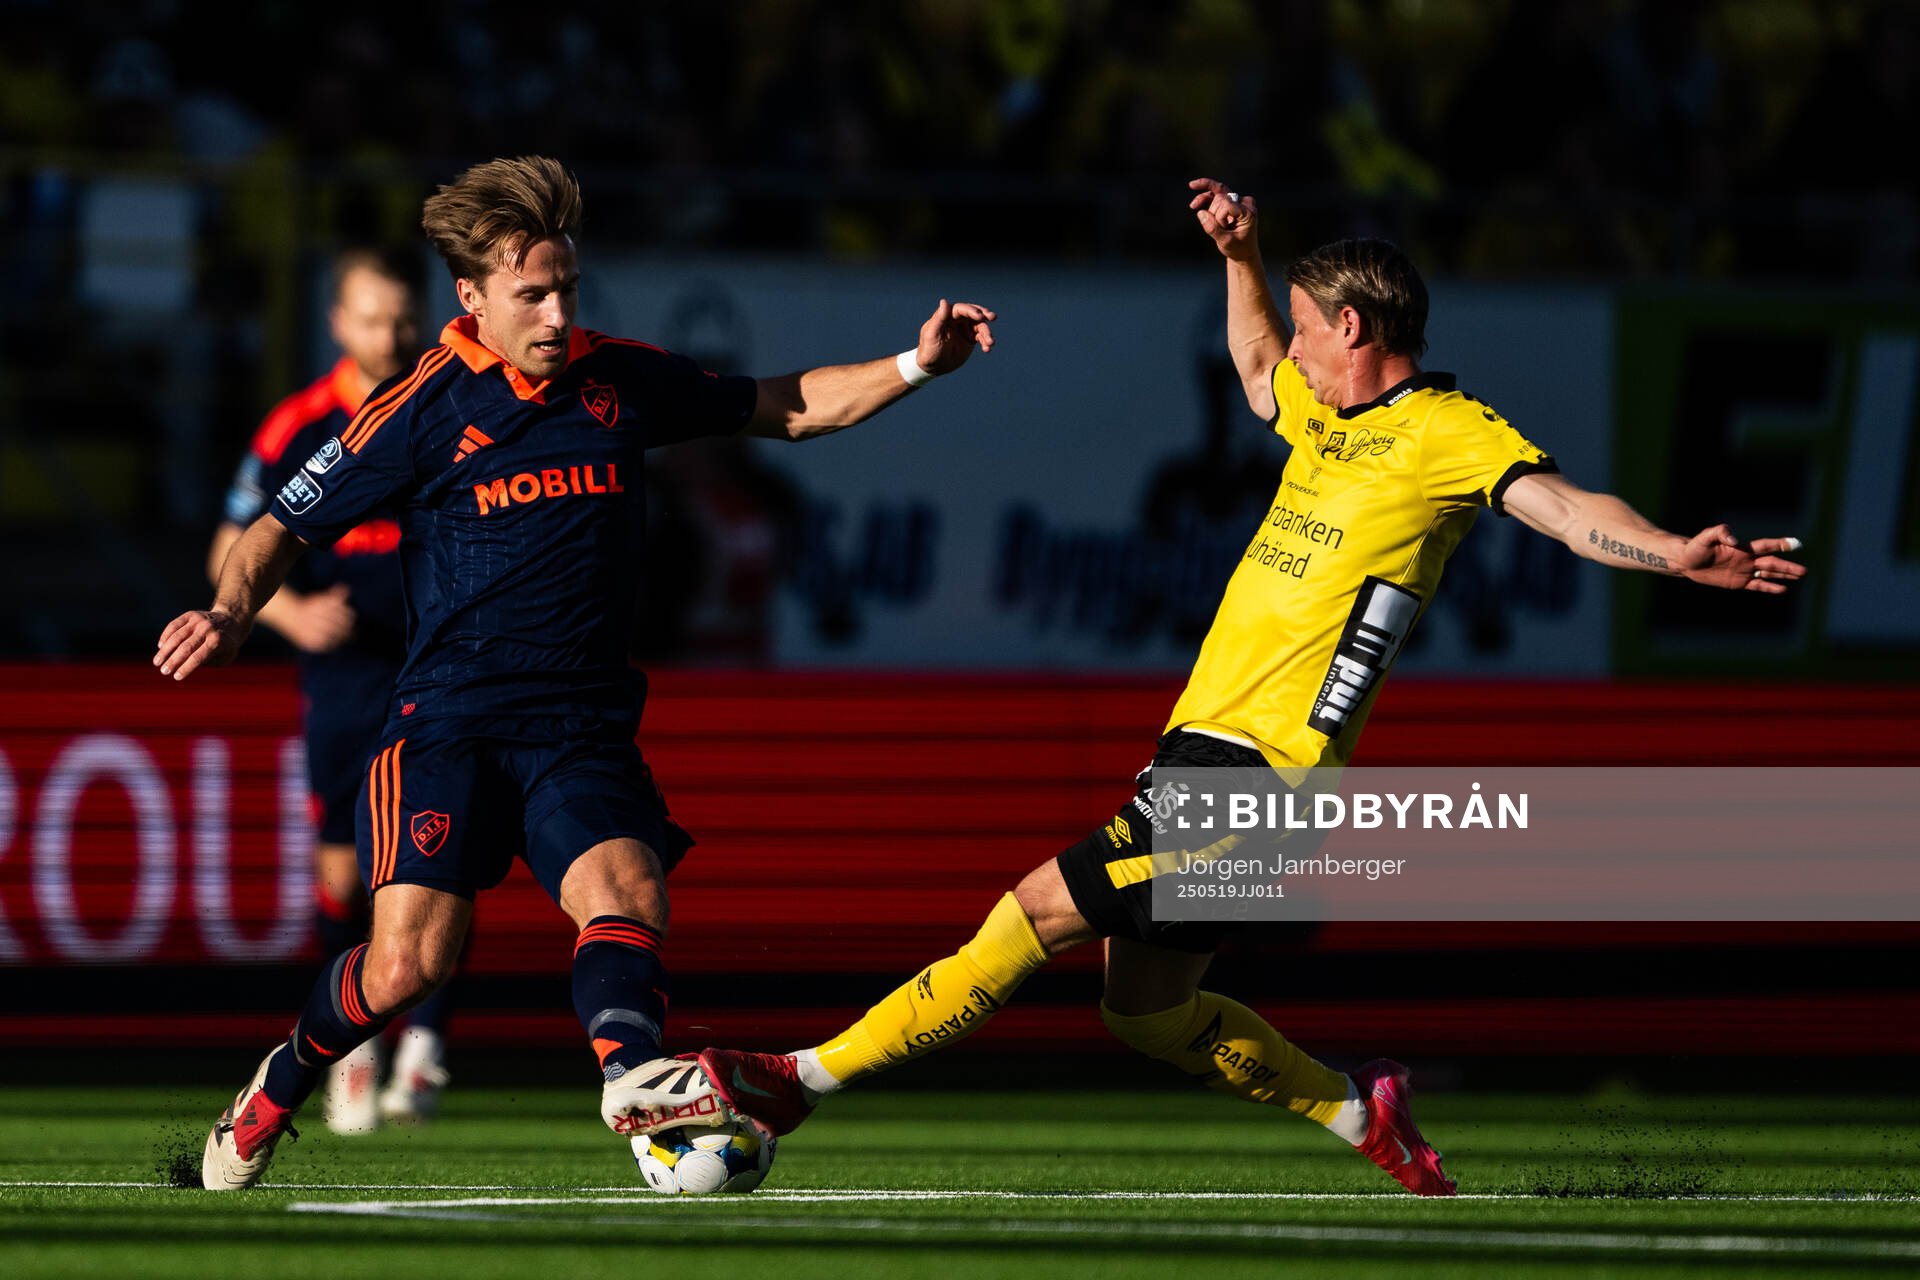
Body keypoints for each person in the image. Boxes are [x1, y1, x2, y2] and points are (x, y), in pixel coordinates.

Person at [695, 176, 1808, 1197]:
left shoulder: (1448, 433)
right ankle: (1353, 1104)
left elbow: (1567, 510)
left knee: (1035, 909)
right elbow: (1253, 366)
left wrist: (1670, 551)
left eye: (1310, 325)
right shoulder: (1325, 416)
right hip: (1201, 757)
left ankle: (798, 1078)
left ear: (1356, 328)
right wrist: (1241, 252)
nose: (1295, 354)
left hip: (1264, 783)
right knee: (1146, 1014)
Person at [158, 155, 996, 1190]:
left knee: (627, 887)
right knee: (405, 966)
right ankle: (279, 1084)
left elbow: (788, 405)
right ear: (470, 298)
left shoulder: (618, 378)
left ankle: (632, 1072)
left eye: (568, 289)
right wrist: (230, 608)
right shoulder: (415, 411)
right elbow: (278, 524)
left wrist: (913, 365)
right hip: (447, 723)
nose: (558, 314)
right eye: (533, 295)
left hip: (578, 723)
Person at [208, 246, 461, 1135]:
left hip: (436, 666)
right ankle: (352, 1045)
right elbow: (226, 552)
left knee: (434, 855)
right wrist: (292, 615)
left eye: (401, 317)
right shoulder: (298, 426)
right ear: (336, 323)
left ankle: (423, 1048)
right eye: (370, 317)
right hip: (345, 676)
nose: (389, 334)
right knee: (343, 873)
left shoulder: (448, 399)